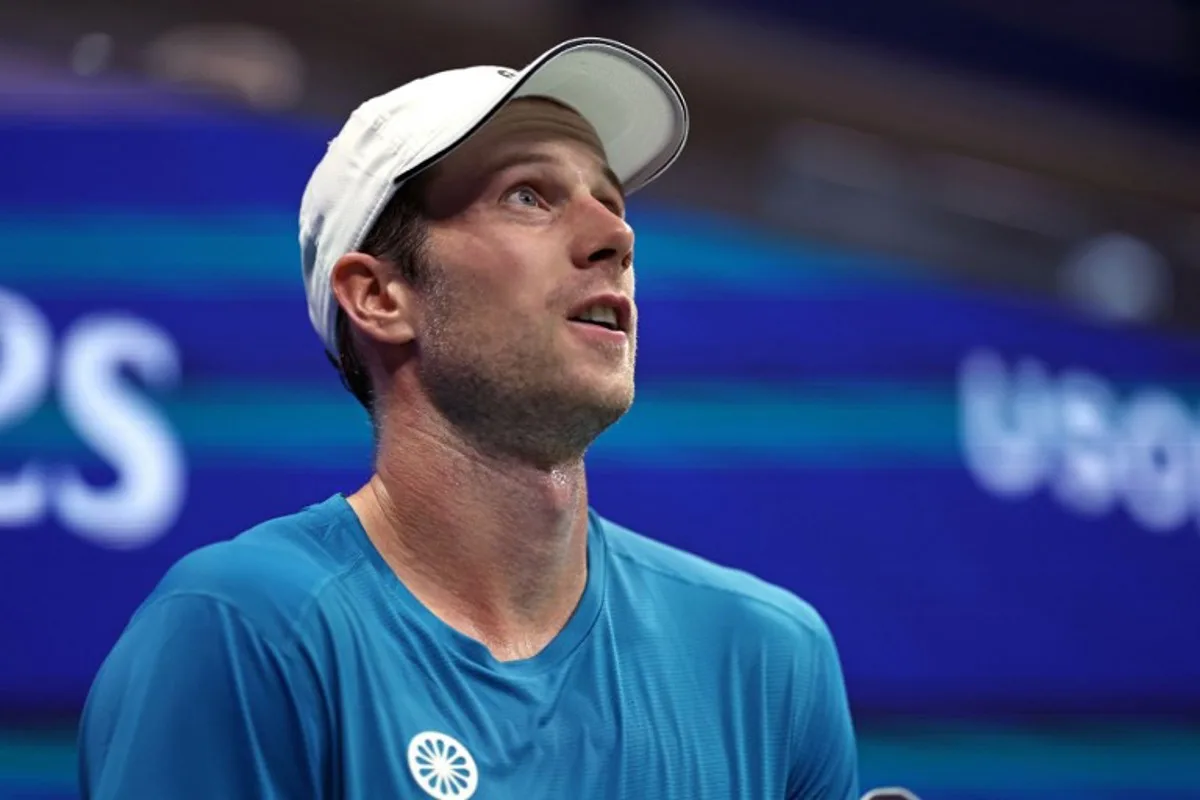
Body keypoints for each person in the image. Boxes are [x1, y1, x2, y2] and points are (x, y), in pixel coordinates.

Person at [77, 37, 860, 799]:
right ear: (381, 297)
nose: (615, 237)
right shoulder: (245, 631)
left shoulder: (769, 659)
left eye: (611, 202)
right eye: (528, 195)